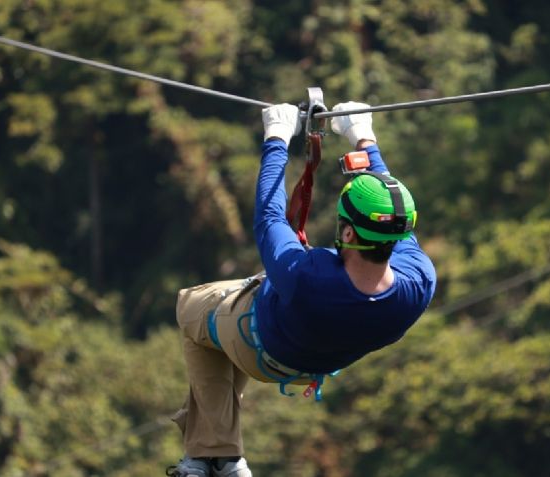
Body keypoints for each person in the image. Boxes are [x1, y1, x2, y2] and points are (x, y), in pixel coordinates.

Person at [167, 102, 436, 477]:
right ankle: (207, 456)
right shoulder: (418, 282)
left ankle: (219, 454)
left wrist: (276, 138)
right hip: (315, 363)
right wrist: (363, 137)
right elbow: (396, 219)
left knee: (191, 306)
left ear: (346, 233)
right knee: (225, 319)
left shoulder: (306, 274)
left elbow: (269, 217)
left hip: (258, 346)